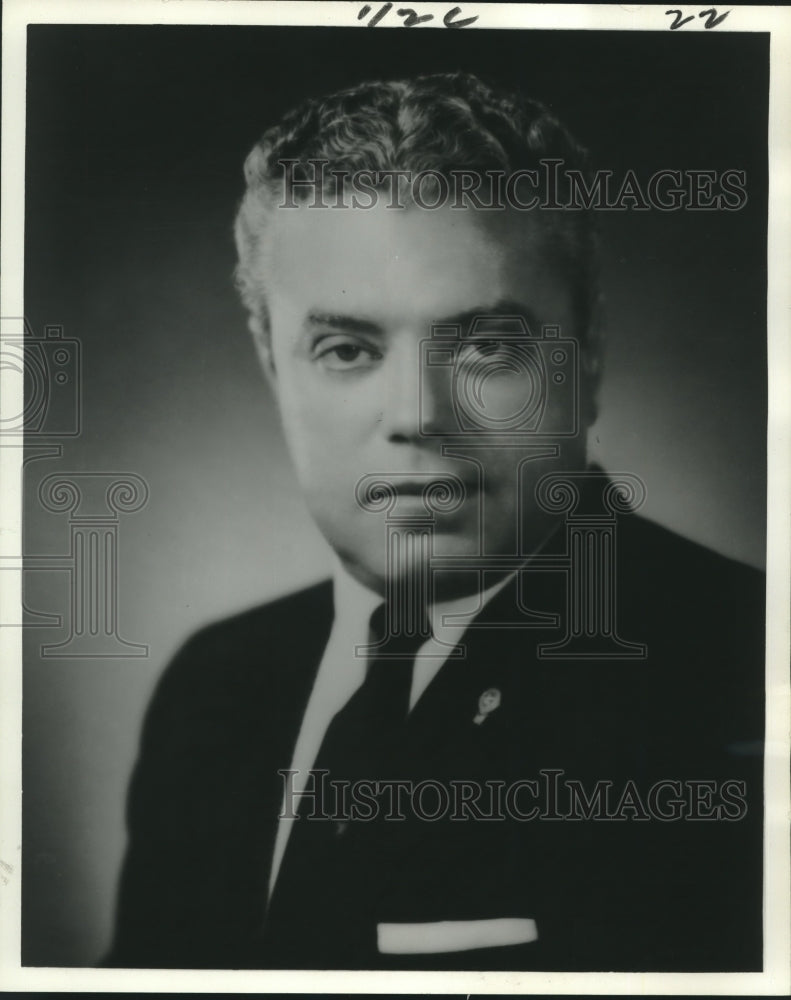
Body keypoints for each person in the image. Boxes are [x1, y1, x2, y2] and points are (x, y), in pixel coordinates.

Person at [105, 72, 764, 972]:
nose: (417, 412)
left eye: (487, 346)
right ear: (271, 363)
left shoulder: (747, 671)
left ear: (591, 356)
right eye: (346, 349)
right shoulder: (215, 684)